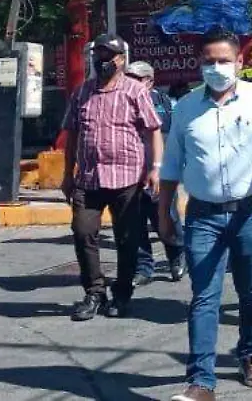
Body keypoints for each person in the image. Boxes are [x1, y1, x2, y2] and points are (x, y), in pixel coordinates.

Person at [159, 28, 252, 400]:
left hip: (250, 211)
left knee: (251, 291)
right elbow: (171, 164)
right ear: (199, 63)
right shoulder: (186, 107)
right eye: (209, 61)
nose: (216, 68)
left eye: (224, 60)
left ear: (239, 62)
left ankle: (250, 353)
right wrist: (165, 212)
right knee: (204, 295)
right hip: (202, 216)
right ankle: (201, 381)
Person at [62, 34, 163, 321]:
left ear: (121, 60)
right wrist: (67, 173)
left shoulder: (135, 91)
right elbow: (72, 135)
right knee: (83, 232)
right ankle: (94, 292)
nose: (102, 60)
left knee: (127, 239)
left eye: (108, 56)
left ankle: (122, 293)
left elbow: (153, 129)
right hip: (89, 179)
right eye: (98, 55)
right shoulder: (82, 93)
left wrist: (155, 167)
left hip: (127, 178)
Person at [126, 61, 185, 285]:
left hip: (158, 171)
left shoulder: (160, 102)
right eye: (127, 77)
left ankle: (177, 255)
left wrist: (161, 168)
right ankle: (143, 268)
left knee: (165, 216)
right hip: (128, 171)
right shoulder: (120, 98)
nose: (129, 82)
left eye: (135, 78)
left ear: (149, 81)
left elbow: (168, 135)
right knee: (134, 221)